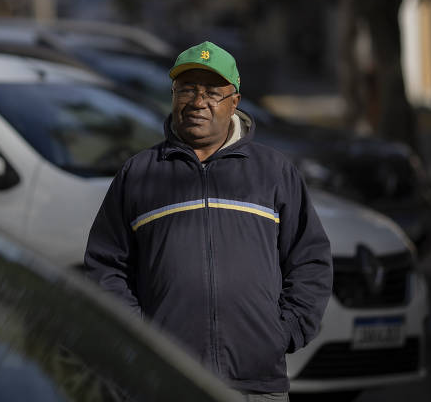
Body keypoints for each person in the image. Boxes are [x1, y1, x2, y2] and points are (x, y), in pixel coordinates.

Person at [84, 41, 333, 400]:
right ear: (172, 95)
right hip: (165, 381)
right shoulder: (139, 173)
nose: (198, 102)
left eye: (213, 92)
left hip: (256, 384)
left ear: (235, 102)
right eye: (187, 89)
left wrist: (282, 333)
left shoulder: (274, 172)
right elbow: (105, 266)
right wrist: (140, 337)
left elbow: (310, 260)